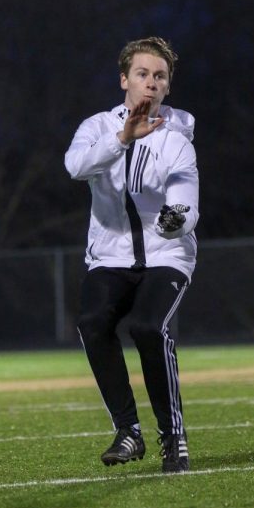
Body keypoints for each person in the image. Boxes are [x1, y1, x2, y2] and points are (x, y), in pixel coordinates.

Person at [64, 36, 199, 474]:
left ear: (167, 87)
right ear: (124, 79)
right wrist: (123, 137)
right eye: (142, 74)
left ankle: (172, 435)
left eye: (159, 76)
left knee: (146, 326)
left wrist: (176, 219)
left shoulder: (177, 139)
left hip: (167, 255)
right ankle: (128, 430)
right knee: (92, 322)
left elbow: (186, 202)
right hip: (110, 257)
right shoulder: (97, 127)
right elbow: (76, 167)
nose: (151, 83)